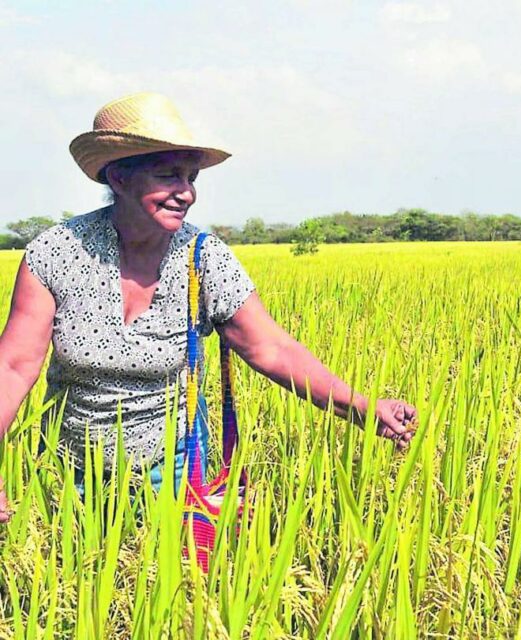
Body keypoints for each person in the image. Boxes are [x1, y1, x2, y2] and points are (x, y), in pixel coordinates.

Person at [0, 92, 417, 522]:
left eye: (191, 177)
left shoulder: (202, 257)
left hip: (171, 474)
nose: (186, 193)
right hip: (67, 475)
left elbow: (271, 348)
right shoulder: (58, 252)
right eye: (169, 176)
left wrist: (364, 407)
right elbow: (13, 366)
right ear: (120, 178)